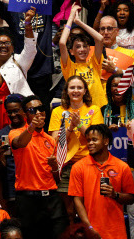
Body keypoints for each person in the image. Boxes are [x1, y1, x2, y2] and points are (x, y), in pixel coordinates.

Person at [10, 95, 69, 238]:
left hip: (51, 198)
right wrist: (31, 127)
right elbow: (20, 143)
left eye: (40, 109)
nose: (38, 113)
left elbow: (56, 177)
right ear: (24, 114)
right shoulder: (15, 133)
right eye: (32, 110)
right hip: (28, 200)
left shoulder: (50, 140)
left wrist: (55, 167)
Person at [49, 75, 104, 222]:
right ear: (66, 91)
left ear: (85, 91)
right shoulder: (57, 111)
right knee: (69, 211)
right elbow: (55, 142)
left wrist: (80, 125)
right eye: (72, 87)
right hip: (67, 165)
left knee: (91, 206)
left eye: (79, 87)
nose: (76, 91)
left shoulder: (94, 110)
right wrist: (70, 127)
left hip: (90, 163)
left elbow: (97, 139)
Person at [101, 73, 134, 239]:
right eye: (114, 85)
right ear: (109, 89)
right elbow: (99, 140)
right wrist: (108, 131)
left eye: (122, 85)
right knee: (110, 207)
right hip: (110, 167)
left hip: (133, 167)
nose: (118, 89)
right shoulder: (103, 110)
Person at [69, 124, 134, 239]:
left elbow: (131, 198)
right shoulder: (78, 167)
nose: (90, 143)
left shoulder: (122, 167)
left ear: (106, 141)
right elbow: (77, 200)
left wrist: (115, 195)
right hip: (91, 232)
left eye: (94, 140)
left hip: (116, 232)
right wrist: (89, 228)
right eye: (88, 140)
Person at [0, 7, 37, 131]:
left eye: (7, 43)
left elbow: (30, 48)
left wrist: (28, 24)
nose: (3, 46)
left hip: (16, 116)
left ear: (12, 46)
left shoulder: (19, 62)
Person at [60, 5, 107, 108]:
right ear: (71, 51)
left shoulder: (94, 63)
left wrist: (79, 23)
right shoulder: (69, 67)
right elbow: (62, 43)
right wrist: (71, 17)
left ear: (89, 49)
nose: (82, 49)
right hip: (79, 109)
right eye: (78, 47)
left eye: (85, 46)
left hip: (99, 107)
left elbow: (100, 39)